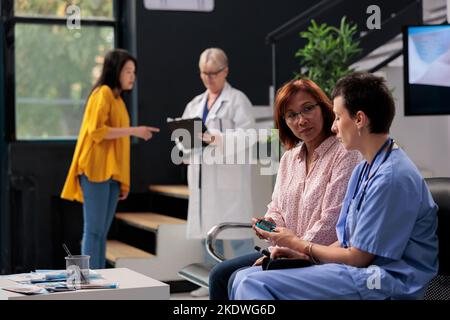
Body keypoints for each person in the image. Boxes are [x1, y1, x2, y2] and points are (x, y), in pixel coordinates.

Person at [230, 72, 438, 300]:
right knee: (241, 278)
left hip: (381, 279)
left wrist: (301, 246)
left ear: (359, 119)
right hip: (355, 268)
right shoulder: (366, 169)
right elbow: (348, 240)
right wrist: (302, 254)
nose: (334, 127)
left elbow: (359, 257)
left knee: (252, 283)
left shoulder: (390, 176)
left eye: (338, 117)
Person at [209, 78, 361, 300]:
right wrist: (269, 225)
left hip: (318, 252)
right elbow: (277, 207)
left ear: (324, 108)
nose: (301, 120)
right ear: (284, 121)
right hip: (284, 250)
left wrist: (295, 249)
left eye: (307, 109)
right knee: (219, 275)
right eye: (291, 115)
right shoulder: (289, 158)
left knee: (235, 278)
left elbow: (332, 221)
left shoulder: (344, 154)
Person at [61, 49, 160, 269]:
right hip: (96, 170)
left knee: (101, 232)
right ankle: (88, 280)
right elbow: (97, 131)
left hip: (111, 174)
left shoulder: (118, 100)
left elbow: (119, 144)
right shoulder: (103, 93)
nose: (132, 76)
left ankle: (98, 279)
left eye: (133, 71)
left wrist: (122, 180)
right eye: (127, 71)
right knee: (94, 230)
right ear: (115, 71)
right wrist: (135, 130)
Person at [179, 48, 256, 297]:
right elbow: (183, 134)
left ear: (225, 71)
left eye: (213, 73)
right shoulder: (195, 104)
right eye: (204, 73)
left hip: (228, 177)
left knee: (236, 236)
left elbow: (248, 136)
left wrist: (216, 138)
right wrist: (185, 148)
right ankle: (209, 281)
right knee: (207, 232)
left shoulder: (237, 100)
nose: (208, 78)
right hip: (203, 176)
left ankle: (247, 280)